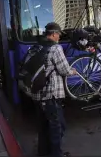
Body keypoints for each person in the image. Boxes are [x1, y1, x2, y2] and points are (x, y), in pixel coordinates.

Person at [32, 22, 77, 157]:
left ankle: (43, 153)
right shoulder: (55, 48)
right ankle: (56, 154)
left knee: (43, 127)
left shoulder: (37, 46)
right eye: (58, 34)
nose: (59, 37)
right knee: (57, 127)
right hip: (51, 95)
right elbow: (64, 70)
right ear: (53, 34)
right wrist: (72, 71)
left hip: (37, 94)